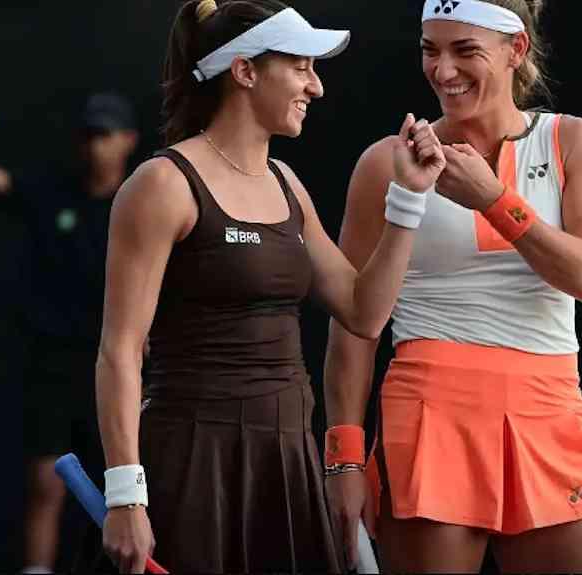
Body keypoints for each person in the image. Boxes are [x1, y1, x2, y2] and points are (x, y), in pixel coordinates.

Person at [92, 1, 462, 572]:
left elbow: (363, 312)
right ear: (244, 71)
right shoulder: (162, 184)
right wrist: (125, 495)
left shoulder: (286, 182)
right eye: (300, 67)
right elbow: (119, 351)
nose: (315, 87)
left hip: (286, 457)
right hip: (191, 463)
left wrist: (409, 198)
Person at [322, 0, 582, 572]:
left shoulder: (572, 140)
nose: (443, 70)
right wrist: (345, 458)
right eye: (430, 50)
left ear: (516, 50)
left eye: (465, 51)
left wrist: (492, 199)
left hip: (551, 409)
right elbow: (354, 324)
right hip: (431, 414)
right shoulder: (387, 162)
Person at [0, 92, 140, 573]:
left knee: (124, 487)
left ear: (128, 140)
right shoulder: (52, 193)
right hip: (54, 364)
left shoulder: (141, 203)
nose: (96, 146)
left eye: (106, 135)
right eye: (90, 135)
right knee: (45, 483)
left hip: (118, 367)